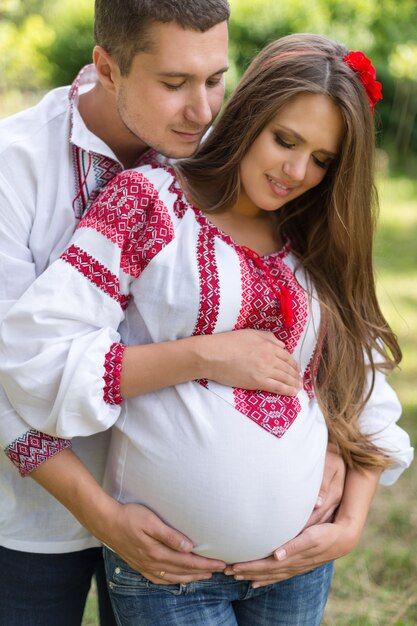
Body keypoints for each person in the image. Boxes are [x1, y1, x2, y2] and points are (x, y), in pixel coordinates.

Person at [0, 32, 413, 626]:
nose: (297, 171)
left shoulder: (313, 240)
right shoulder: (148, 203)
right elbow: (36, 355)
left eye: (322, 160)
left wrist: (349, 523)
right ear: (249, 117)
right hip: (174, 572)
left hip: (294, 563)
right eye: (285, 140)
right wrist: (204, 355)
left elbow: (361, 380)